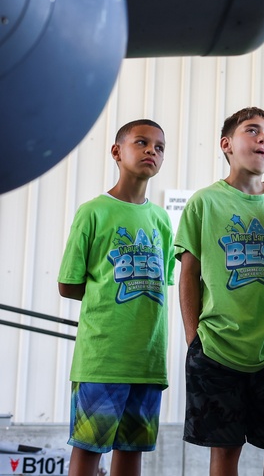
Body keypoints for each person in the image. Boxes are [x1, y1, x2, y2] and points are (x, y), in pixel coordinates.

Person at [176, 107, 264, 476]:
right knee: (224, 452)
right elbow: (189, 274)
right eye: (252, 131)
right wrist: (193, 337)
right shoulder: (203, 202)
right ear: (227, 144)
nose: (263, 138)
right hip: (217, 348)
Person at [57, 119, 173, 476]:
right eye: (141, 142)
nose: (151, 151)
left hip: (148, 361)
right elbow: (68, 284)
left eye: (159, 146)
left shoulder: (162, 220)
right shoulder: (94, 211)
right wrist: (106, 298)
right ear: (117, 152)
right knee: (89, 449)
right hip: (103, 358)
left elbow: (160, 283)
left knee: (132, 451)